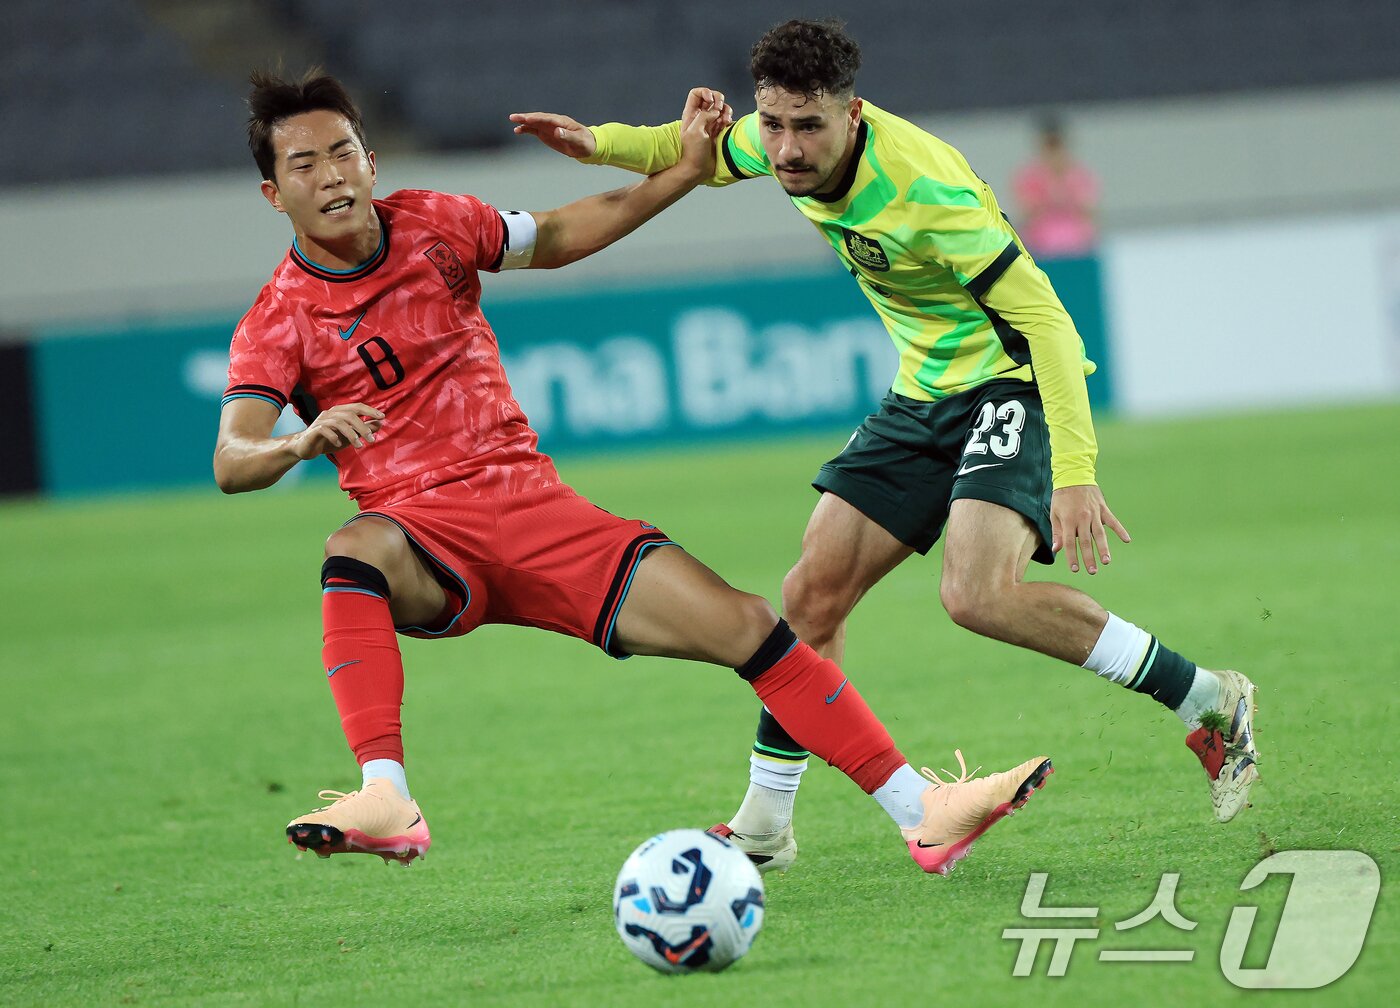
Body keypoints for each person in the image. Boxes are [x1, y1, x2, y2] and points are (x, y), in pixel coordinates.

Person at [213, 69, 1052, 877]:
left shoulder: (436, 222)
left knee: (750, 625)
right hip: (421, 536)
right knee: (353, 550)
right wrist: (295, 444)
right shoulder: (276, 320)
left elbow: (568, 231)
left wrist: (687, 170)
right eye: (305, 164)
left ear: (370, 160)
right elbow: (232, 457)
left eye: (343, 152)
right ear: (273, 194)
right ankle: (385, 795)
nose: (332, 176)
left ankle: (920, 813)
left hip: (535, 511)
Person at [510, 18, 1260, 874]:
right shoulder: (778, 136)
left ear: (853, 113)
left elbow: (1047, 324)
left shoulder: (923, 191)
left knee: (976, 595)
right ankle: (764, 823)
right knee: (810, 595)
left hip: (1009, 378)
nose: (786, 149)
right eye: (776, 124)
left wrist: (1076, 473)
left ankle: (1208, 699)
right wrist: (596, 142)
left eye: (808, 127)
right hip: (924, 390)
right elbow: (703, 152)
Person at [1012, 115, 1099, 261]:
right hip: (1041, 245)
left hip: (1077, 245)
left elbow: (1089, 210)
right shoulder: (1030, 177)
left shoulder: (1079, 175)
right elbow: (1026, 213)